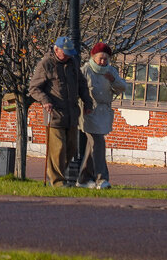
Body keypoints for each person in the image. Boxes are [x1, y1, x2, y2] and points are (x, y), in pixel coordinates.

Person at [29, 36, 93, 186]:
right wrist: (45, 100)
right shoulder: (46, 64)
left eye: (70, 52)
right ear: (56, 50)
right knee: (58, 149)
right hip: (54, 113)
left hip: (72, 114)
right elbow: (34, 88)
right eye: (66, 52)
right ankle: (58, 181)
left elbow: (82, 85)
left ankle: (58, 175)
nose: (69, 55)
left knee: (71, 148)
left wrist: (87, 102)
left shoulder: (73, 63)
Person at [77, 41, 127, 189]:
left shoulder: (110, 71)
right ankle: (101, 179)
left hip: (104, 113)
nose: (103, 61)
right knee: (98, 144)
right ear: (93, 57)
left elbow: (122, 87)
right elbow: (78, 89)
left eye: (106, 59)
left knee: (92, 147)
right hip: (89, 112)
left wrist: (113, 80)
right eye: (100, 58)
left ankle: (83, 179)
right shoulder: (86, 70)